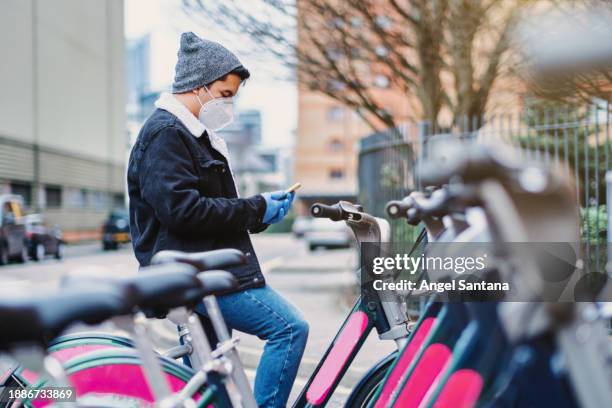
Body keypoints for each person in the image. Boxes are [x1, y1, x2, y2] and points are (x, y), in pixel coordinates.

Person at [127, 32, 308, 408]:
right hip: (197, 272)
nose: (229, 106)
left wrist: (261, 211)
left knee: (217, 382)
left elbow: (212, 208)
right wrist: (256, 208)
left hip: (206, 268)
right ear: (199, 87)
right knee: (289, 329)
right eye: (225, 95)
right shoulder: (167, 134)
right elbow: (184, 212)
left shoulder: (193, 135)